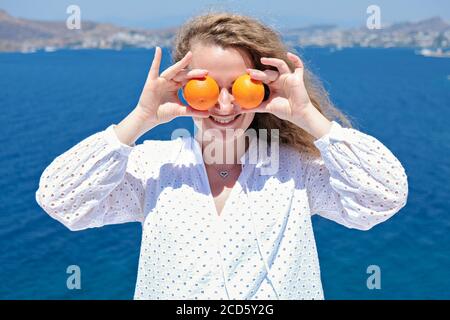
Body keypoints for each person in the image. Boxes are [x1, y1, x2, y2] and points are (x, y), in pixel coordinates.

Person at [36, 12, 408, 300]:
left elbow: (383, 197)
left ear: (262, 90)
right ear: (183, 86)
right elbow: (61, 200)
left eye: (242, 88)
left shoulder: (296, 171)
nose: (226, 104)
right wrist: (140, 119)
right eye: (208, 87)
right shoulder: (154, 168)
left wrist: (307, 115)